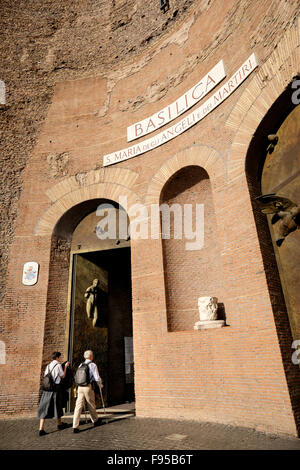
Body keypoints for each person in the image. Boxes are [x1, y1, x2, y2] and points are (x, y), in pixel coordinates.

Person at [37, 351, 70, 436]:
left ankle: (41, 428)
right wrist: (65, 367)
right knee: (58, 406)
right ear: (58, 357)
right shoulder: (58, 365)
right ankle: (59, 424)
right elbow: (63, 376)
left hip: (47, 390)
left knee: (44, 407)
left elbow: (45, 376)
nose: (60, 359)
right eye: (60, 357)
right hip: (55, 389)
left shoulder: (48, 366)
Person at [72, 350, 103, 433]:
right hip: (87, 387)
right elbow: (97, 377)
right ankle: (95, 420)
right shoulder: (92, 365)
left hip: (80, 387)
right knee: (91, 404)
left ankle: (75, 425)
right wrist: (100, 385)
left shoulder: (81, 364)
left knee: (78, 406)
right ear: (91, 356)